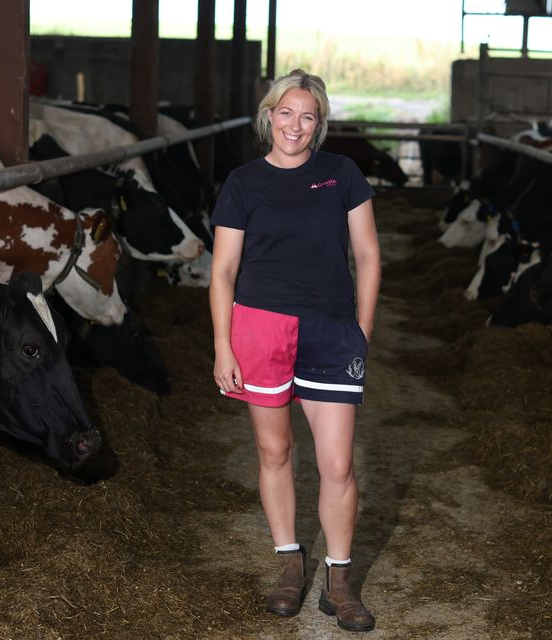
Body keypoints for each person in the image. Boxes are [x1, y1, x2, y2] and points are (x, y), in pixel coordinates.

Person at [208, 68, 380, 633]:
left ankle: (338, 578)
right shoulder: (242, 182)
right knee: (275, 452)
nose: (295, 125)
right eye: (286, 113)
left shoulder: (343, 174)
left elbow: (369, 256)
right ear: (269, 116)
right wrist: (222, 347)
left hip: (331, 328)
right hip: (260, 327)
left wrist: (362, 329)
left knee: (337, 463)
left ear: (319, 124)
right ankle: (289, 563)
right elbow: (223, 271)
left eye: (308, 116)